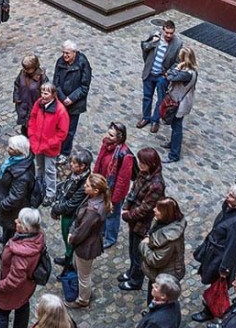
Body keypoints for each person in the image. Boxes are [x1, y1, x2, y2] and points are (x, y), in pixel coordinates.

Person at [191, 185, 236, 325]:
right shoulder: (229, 208)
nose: (227, 197)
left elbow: (232, 246)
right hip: (213, 252)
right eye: (229, 193)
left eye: (232, 196)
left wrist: (225, 268)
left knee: (216, 287)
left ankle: (209, 311)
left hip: (219, 258)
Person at [0, 208, 45, 328]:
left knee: (0, 313)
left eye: (19, 222)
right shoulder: (37, 238)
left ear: (26, 228)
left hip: (12, 290)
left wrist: (0, 286)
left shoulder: (22, 253)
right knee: (22, 306)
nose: (15, 222)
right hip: (26, 288)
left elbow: (14, 279)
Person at [119, 148, 165, 292]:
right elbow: (133, 191)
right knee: (132, 248)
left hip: (143, 223)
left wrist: (127, 215)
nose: (140, 165)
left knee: (138, 253)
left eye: (143, 163)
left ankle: (136, 280)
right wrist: (126, 206)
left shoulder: (156, 184)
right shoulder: (143, 173)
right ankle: (132, 272)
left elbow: (146, 208)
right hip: (134, 218)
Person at [65, 174, 110, 310]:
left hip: (87, 246)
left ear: (96, 190)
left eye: (88, 185)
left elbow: (82, 231)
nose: (85, 186)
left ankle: (83, 300)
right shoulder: (96, 199)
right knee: (81, 269)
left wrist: (72, 237)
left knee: (84, 275)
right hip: (88, 242)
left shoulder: (93, 212)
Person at [94, 121, 135, 249]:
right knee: (102, 209)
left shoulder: (125, 155)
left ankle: (111, 237)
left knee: (113, 214)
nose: (108, 137)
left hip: (114, 189)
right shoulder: (106, 144)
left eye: (112, 136)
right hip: (103, 184)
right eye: (109, 134)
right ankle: (102, 229)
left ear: (120, 137)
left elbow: (123, 179)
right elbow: (99, 161)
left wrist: (115, 197)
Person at [51, 148, 92, 272]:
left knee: (69, 241)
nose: (71, 165)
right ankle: (67, 259)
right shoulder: (76, 175)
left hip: (72, 216)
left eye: (74, 163)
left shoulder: (84, 183)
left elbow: (72, 204)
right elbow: (64, 188)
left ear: (83, 166)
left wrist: (56, 209)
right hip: (66, 211)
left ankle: (69, 266)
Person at [139, 198, 187, 305]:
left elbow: (155, 260)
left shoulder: (170, 239)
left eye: (158, 209)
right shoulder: (161, 222)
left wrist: (143, 245)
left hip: (165, 274)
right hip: (159, 272)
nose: (154, 210)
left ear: (166, 213)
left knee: (158, 297)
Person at [28, 82, 70, 203]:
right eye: (42, 92)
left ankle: (50, 193)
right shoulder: (39, 103)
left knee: (50, 170)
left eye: (46, 93)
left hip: (50, 147)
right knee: (40, 167)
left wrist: (47, 143)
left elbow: (62, 133)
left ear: (53, 94)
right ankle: (40, 186)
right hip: (38, 144)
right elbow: (32, 118)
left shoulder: (60, 111)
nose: (43, 95)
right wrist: (32, 136)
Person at [138, 20, 182, 133]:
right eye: (166, 32)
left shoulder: (177, 43)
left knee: (160, 99)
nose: (168, 35)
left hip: (162, 76)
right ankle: (145, 118)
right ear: (163, 30)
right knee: (147, 97)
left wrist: (168, 73)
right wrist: (153, 43)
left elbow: (177, 62)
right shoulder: (154, 36)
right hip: (149, 72)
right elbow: (144, 47)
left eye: (171, 33)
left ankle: (155, 121)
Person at [0, 134, 36, 245]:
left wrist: (3, 205)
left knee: (11, 231)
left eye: (11, 148)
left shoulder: (22, 176)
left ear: (18, 151)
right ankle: (5, 237)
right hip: (8, 206)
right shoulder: (19, 161)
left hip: (12, 210)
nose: (8, 149)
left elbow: (16, 197)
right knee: (7, 229)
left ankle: (7, 247)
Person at [52, 41, 92, 160]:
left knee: (70, 130)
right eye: (63, 53)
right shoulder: (60, 62)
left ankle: (65, 152)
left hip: (75, 104)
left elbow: (84, 86)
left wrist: (72, 98)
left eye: (67, 53)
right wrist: (63, 98)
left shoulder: (82, 63)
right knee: (58, 126)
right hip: (61, 101)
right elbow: (56, 82)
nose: (65, 56)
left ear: (74, 53)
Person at [162, 47, 198, 162]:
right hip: (178, 100)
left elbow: (170, 77)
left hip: (180, 103)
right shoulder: (189, 71)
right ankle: (172, 144)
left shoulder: (186, 73)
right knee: (174, 125)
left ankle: (174, 154)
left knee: (177, 127)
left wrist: (176, 68)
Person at [13, 54, 46, 135]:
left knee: (34, 130)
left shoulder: (42, 77)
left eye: (27, 68)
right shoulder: (22, 73)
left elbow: (46, 94)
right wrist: (16, 98)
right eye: (24, 68)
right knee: (24, 128)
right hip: (23, 105)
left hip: (34, 107)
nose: (25, 70)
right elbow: (17, 85)